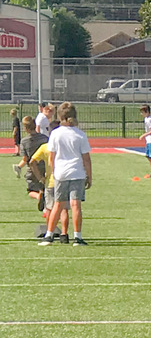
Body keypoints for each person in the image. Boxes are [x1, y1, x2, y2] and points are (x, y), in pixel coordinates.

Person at [39, 102, 93, 247]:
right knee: (76, 205)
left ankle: (49, 235)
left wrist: (54, 171)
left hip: (61, 173)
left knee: (58, 204)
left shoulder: (55, 133)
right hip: (77, 172)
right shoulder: (80, 134)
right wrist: (89, 176)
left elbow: (52, 157)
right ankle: (78, 237)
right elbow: (86, 158)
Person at [28, 139, 68, 239]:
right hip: (64, 179)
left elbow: (32, 162)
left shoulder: (45, 147)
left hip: (51, 181)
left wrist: (40, 178)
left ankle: (50, 232)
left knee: (50, 208)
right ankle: (64, 234)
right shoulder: (66, 146)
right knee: (63, 209)